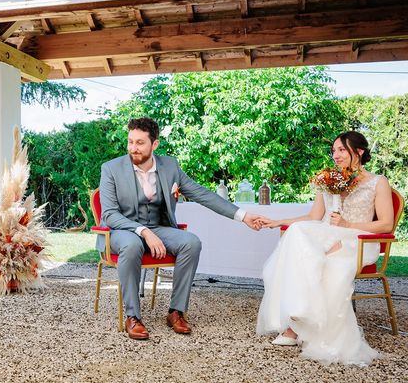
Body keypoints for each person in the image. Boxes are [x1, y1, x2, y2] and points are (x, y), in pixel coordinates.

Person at [98, 117, 263, 340]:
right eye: (130, 142)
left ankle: (176, 311)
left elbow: (201, 193)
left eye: (140, 143)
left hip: (158, 227)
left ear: (154, 144)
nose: (133, 148)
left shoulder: (170, 166)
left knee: (191, 242)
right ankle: (133, 316)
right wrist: (143, 231)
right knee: (132, 245)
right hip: (121, 231)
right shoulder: (111, 169)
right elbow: (109, 214)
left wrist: (242, 216)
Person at [256, 131, 394, 365]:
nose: (335, 155)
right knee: (299, 235)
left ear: (359, 152)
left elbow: (386, 224)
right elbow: (313, 217)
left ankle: (299, 328)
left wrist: (348, 225)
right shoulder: (327, 179)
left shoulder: (377, 182)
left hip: (359, 240)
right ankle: (298, 319)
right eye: (333, 151)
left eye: (341, 150)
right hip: (328, 235)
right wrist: (278, 222)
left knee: (329, 262)